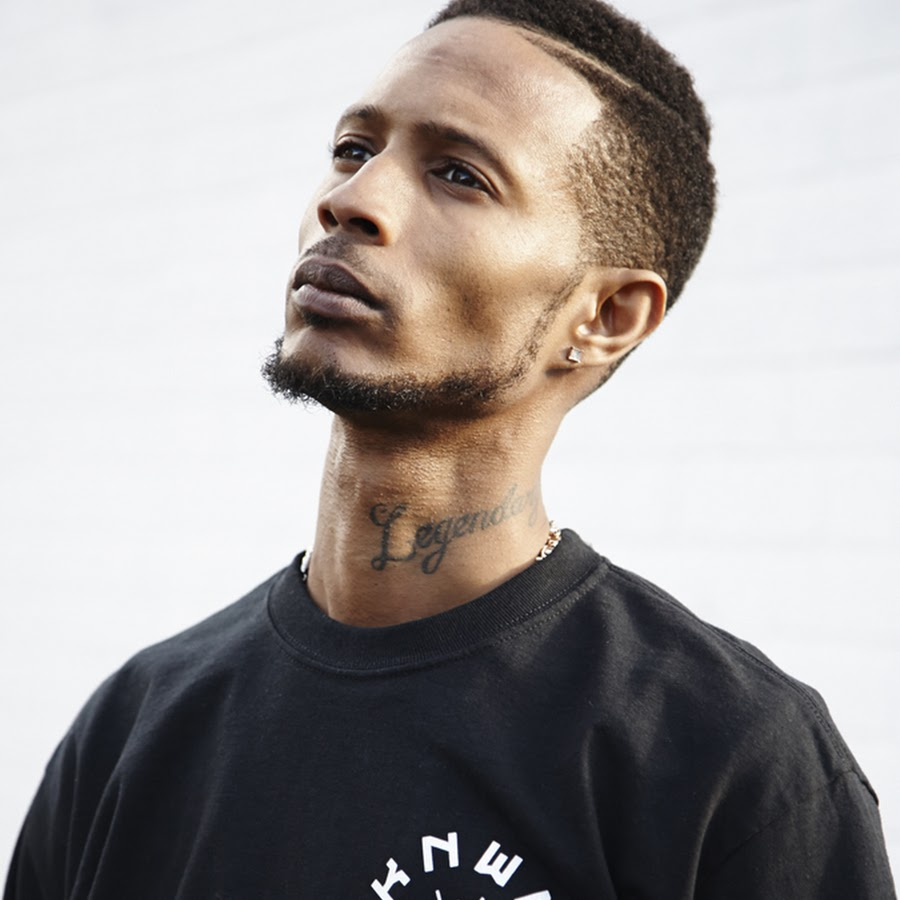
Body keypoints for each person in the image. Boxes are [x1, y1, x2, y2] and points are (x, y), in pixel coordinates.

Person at [5, 0, 896, 897]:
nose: (351, 200)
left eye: (460, 175)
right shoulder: (132, 726)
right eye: (354, 149)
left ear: (606, 315)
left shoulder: (729, 761)